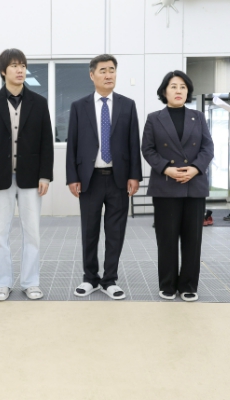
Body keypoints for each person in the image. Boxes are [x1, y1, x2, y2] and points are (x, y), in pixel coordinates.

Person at [0, 49, 54, 301]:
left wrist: (45, 175)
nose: (20, 70)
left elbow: (46, 142)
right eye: (14, 66)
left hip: (32, 179)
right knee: (0, 233)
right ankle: (1, 283)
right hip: (0, 179)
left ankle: (31, 282)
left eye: (23, 65)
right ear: (3, 71)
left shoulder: (39, 102)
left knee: (32, 232)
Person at [66, 54, 143, 300]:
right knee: (89, 230)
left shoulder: (127, 105)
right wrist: (72, 177)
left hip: (119, 178)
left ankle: (110, 280)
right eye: (103, 70)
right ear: (92, 75)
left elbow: (133, 142)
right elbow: (72, 144)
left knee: (115, 231)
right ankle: (90, 278)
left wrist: (135, 175)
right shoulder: (79, 106)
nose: (108, 75)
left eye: (112, 70)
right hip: (89, 179)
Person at [141, 71, 214, 301]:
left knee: (193, 239)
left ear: (188, 91)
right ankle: (168, 284)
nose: (178, 90)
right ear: (165, 91)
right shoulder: (154, 118)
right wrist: (166, 168)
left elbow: (208, 147)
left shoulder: (198, 117)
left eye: (183, 86)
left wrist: (195, 168)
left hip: (194, 185)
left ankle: (189, 285)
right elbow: (147, 149)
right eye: (173, 86)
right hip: (166, 185)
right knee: (167, 238)